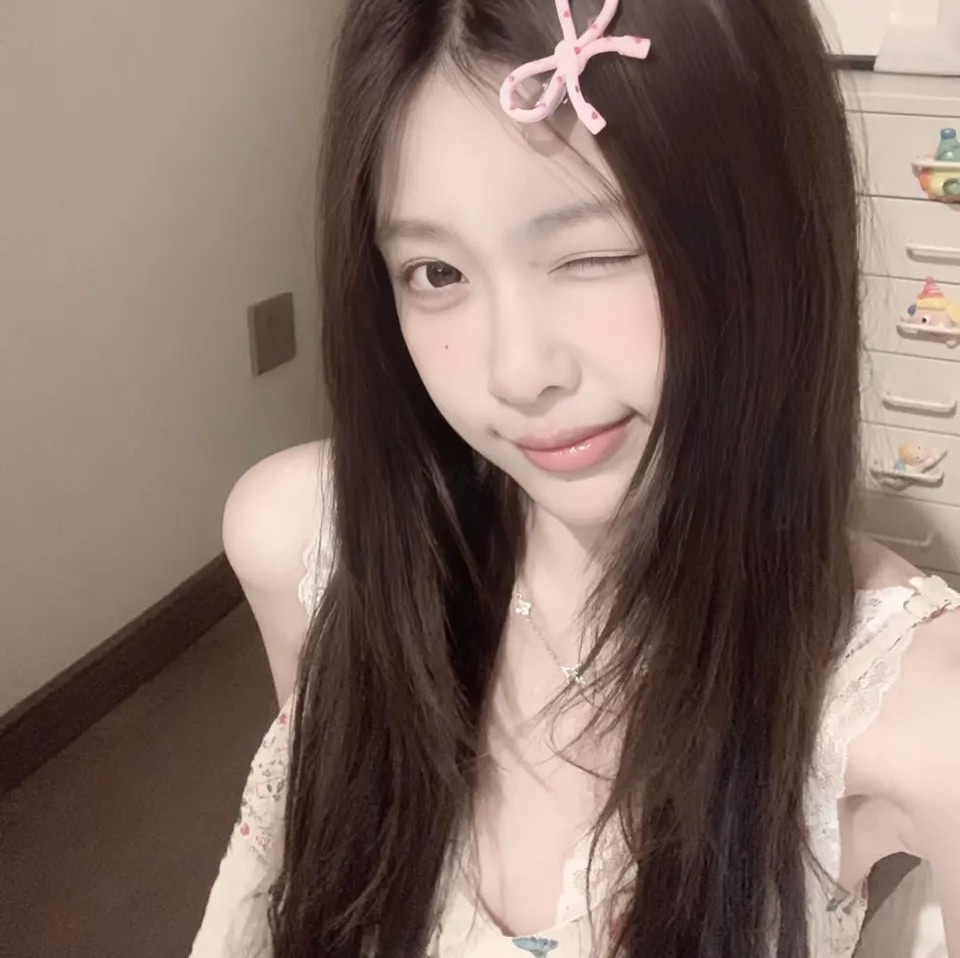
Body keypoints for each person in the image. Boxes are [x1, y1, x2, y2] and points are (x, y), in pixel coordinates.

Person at [190, 0, 960, 955]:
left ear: (770, 241)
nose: (517, 373)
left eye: (594, 254)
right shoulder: (306, 544)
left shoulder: (912, 711)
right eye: (435, 273)